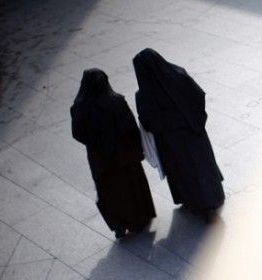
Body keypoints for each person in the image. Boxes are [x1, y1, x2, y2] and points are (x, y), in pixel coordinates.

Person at [133, 48, 225, 220]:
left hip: (170, 142)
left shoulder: (143, 95)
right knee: (202, 165)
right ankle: (212, 198)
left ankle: (195, 203)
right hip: (192, 132)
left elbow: (147, 122)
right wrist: (195, 119)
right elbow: (198, 95)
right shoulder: (178, 75)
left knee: (183, 172)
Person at [70, 68, 156, 238]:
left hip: (101, 160)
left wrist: (95, 142)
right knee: (132, 187)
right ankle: (139, 219)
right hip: (126, 156)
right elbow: (131, 127)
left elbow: (77, 134)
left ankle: (118, 224)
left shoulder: (79, 108)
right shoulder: (117, 101)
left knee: (109, 192)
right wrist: (138, 149)